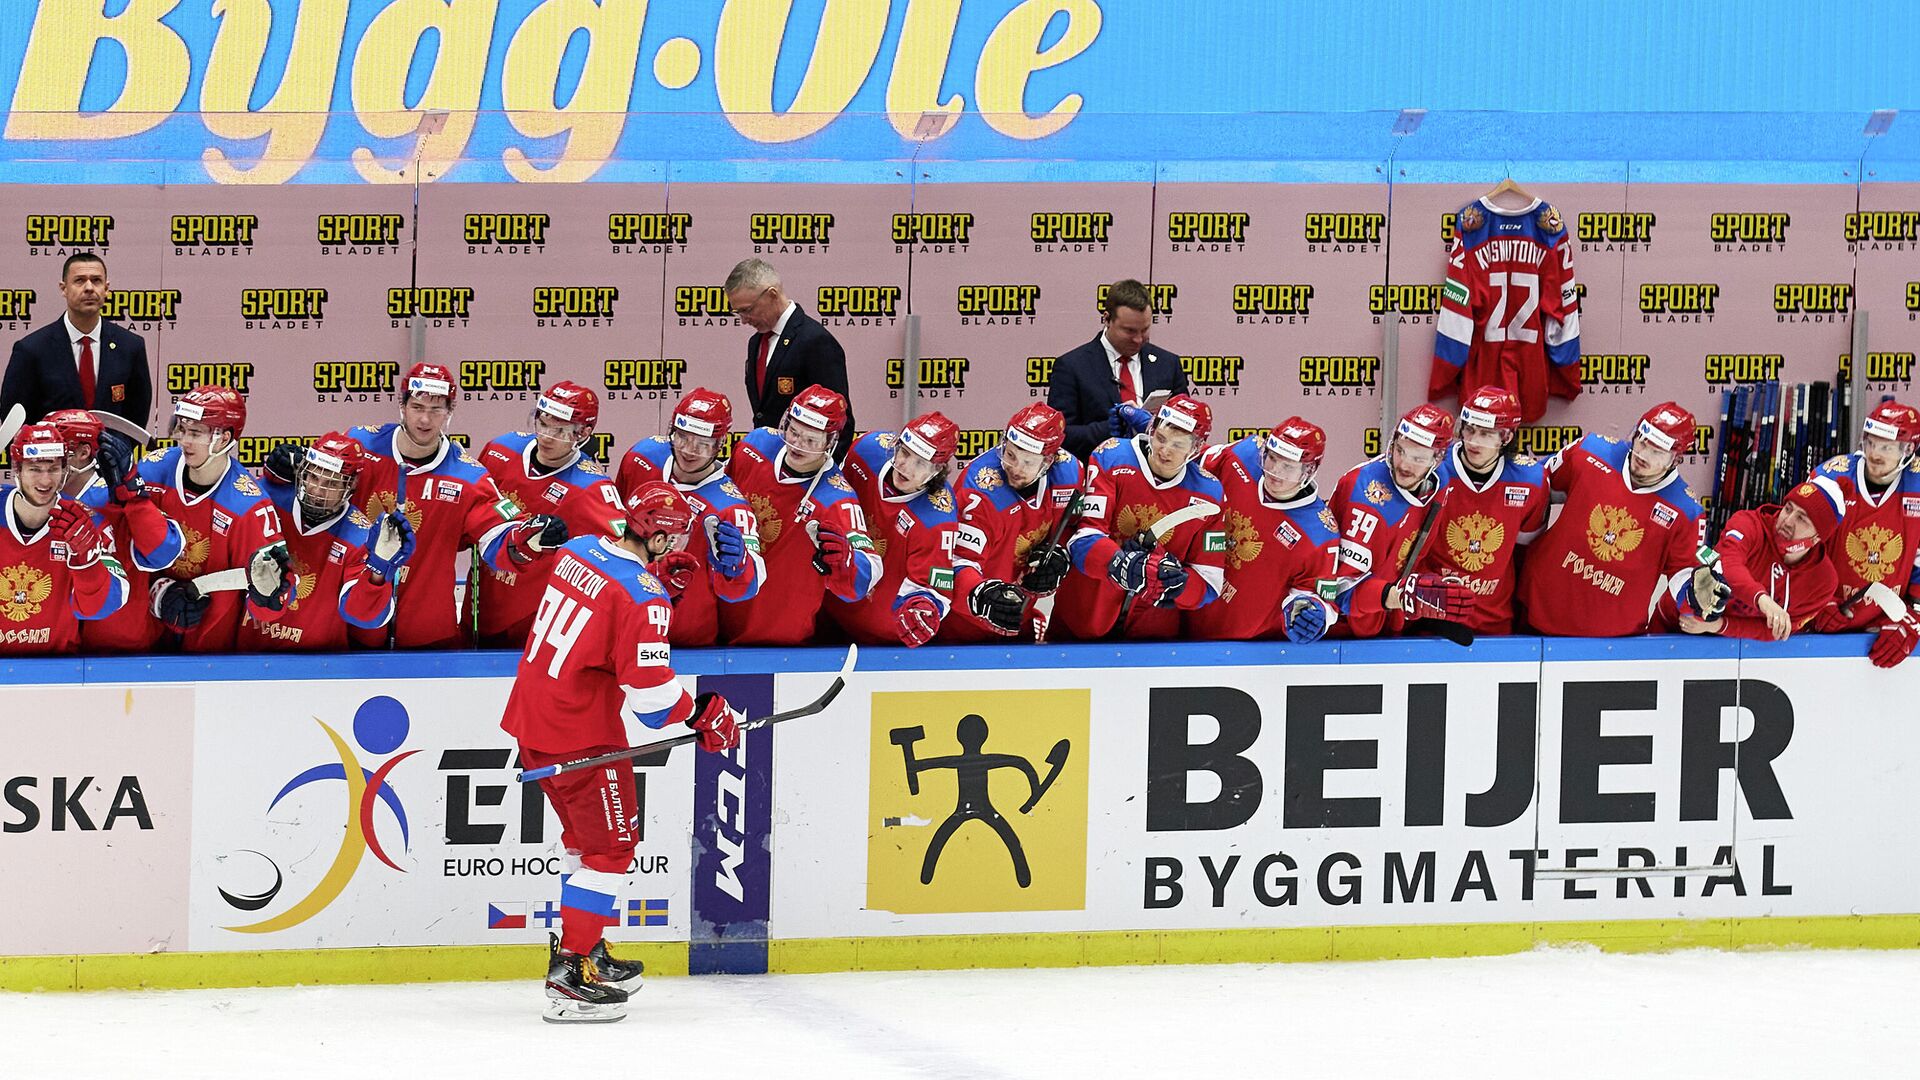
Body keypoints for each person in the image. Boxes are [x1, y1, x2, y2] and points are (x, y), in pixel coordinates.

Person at [500, 481, 744, 1023]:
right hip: (581, 735)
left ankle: (588, 949)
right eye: (675, 533)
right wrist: (705, 715)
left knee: (583, 846)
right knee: (611, 852)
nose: (680, 542)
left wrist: (652, 586)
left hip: (533, 720)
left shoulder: (580, 550)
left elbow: (600, 620)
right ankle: (571, 973)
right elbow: (653, 699)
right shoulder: (644, 595)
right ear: (656, 534)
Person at [265, 362, 552, 649]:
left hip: (427, 636)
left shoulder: (469, 477)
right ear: (402, 406)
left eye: (436, 409)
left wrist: (527, 539)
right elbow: (312, 489)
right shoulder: (360, 445)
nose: (425, 419)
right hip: (350, 628)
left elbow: (499, 540)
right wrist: (277, 472)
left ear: (450, 412)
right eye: (417, 407)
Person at [1517, 401, 1706, 637]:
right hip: (1537, 609)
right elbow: (1535, 485)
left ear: (1677, 458)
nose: (1643, 455)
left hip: (1611, 639)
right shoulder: (1590, 451)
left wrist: (1699, 599)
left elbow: (1685, 578)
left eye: (1657, 451)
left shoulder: (1687, 512)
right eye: (1642, 442)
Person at [137, 386, 298, 652]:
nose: (184, 441)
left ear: (223, 439)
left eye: (196, 433)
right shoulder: (153, 470)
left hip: (209, 650)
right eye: (182, 429)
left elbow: (275, 602)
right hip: (142, 635)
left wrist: (268, 595)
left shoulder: (249, 507)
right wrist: (158, 592)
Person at [720, 384, 880, 646]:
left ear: (829, 443)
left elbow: (869, 571)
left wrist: (848, 560)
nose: (797, 444)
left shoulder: (837, 499)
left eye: (810, 440)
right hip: (720, 618)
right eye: (794, 432)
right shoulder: (755, 446)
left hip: (780, 636)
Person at [1055, 395, 1226, 640]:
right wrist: (1120, 564)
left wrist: (1178, 584)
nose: (1164, 451)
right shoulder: (1112, 456)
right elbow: (1083, 538)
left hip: (1153, 627)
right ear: (1151, 429)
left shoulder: (1208, 492)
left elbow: (1209, 582)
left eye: (1178, 445)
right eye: (1161, 438)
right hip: (1087, 611)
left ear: (1196, 448)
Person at [475, 382, 626, 647]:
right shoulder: (500, 452)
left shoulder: (593, 489)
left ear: (584, 432)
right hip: (481, 612)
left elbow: (625, 553)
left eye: (560, 430)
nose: (546, 436)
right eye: (543, 424)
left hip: (536, 627)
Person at [613, 388, 764, 646]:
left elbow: (754, 581)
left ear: (719, 444)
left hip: (684, 637)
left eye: (703, 444)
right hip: (622, 624)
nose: (690, 451)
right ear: (672, 431)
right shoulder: (641, 458)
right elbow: (614, 530)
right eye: (683, 438)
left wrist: (740, 565)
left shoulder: (731, 507)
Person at [247, 431, 410, 650]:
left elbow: (363, 616)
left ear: (351, 485)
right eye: (313, 477)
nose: (317, 491)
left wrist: (379, 568)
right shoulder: (267, 498)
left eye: (331, 484)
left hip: (319, 663)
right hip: (249, 652)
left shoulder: (360, 535)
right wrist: (270, 473)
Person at [1185, 417, 1342, 642]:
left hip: (1241, 646)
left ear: (1309, 470)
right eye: (1272, 459)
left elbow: (1316, 595)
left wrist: (1314, 612)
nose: (1275, 472)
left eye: (1288, 466)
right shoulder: (1243, 454)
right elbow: (1193, 462)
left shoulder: (1320, 531)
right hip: (1181, 612)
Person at [1325, 404, 1475, 638]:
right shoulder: (1367, 497)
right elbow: (1341, 590)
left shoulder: (1440, 480)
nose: (1404, 464)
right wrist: (1400, 597)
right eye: (1400, 450)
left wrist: (1427, 587)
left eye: (1418, 458)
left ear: (1437, 459)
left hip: (1389, 620)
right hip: (1346, 630)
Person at [45, 408, 185, 653]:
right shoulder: (36, 502)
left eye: (56, 448)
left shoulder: (115, 499)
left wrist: (134, 496)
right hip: (55, 645)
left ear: (82, 453)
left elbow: (164, 552)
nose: (45, 460)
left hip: (118, 650)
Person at [942, 403, 1084, 643]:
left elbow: (1072, 532)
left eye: (1028, 462)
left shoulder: (1068, 474)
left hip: (1020, 618)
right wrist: (980, 596)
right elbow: (956, 562)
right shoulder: (981, 488)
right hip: (962, 626)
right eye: (1010, 455)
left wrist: (1059, 558)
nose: (1015, 469)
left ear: (1049, 460)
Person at [1416, 386, 1550, 635]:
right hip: (1433, 617)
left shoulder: (1530, 480)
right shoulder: (1432, 470)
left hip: (1495, 621)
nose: (1474, 441)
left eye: (1486, 434)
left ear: (1506, 437)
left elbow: (1527, 554)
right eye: (1470, 429)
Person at [826, 411, 961, 647]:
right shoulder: (867, 451)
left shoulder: (938, 516)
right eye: (905, 453)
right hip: (826, 610)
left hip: (880, 639)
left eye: (920, 463)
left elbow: (931, 586)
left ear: (938, 470)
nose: (906, 467)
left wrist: (922, 609)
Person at [1808, 400, 1920, 666]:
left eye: (1886, 447)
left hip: (1887, 625)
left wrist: (1914, 617)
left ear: (1908, 449)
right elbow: (1799, 548)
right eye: (1870, 443)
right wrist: (1815, 602)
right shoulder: (1831, 478)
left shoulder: (1917, 486)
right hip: (1826, 619)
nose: (1874, 454)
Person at [0, 422, 128, 654]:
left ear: (65, 469)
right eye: (35, 469)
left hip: (58, 671)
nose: (45, 481)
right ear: (17, 470)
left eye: (53, 469)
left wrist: (87, 563)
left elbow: (108, 605)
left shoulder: (86, 521)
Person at [1665, 475, 1842, 641]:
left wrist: (1718, 626)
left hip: (1728, 643)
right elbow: (1728, 564)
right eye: (1788, 509)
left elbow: (1778, 631)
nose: (1787, 521)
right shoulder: (1748, 523)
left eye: (1801, 519)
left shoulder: (1824, 581)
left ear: (1818, 537)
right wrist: (1762, 600)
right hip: (1676, 622)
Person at [1, 252, 151, 427]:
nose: (89, 288)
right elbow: (13, 417)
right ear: (63, 288)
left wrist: (119, 449)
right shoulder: (31, 349)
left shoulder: (131, 346)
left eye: (96, 280)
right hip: (52, 453)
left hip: (111, 454)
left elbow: (138, 412)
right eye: (79, 281)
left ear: (106, 288)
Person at [1046, 278, 1188, 460]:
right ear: (1106, 319)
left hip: (1157, 477)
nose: (1138, 339)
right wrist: (1108, 430)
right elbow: (1058, 435)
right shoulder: (1072, 366)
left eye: (1144, 330)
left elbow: (1187, 427)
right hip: (1098, 476)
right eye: (1129, 331)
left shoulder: (1168, 364)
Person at [727, 258, 853, 453]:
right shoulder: (756, 343)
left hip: (805, 469)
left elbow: (841, 423)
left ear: (771, 295)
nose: (743, 320)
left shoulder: (815, 341)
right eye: (738, 312)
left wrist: (817, 475)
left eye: (748, 310)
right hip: (768, 464)